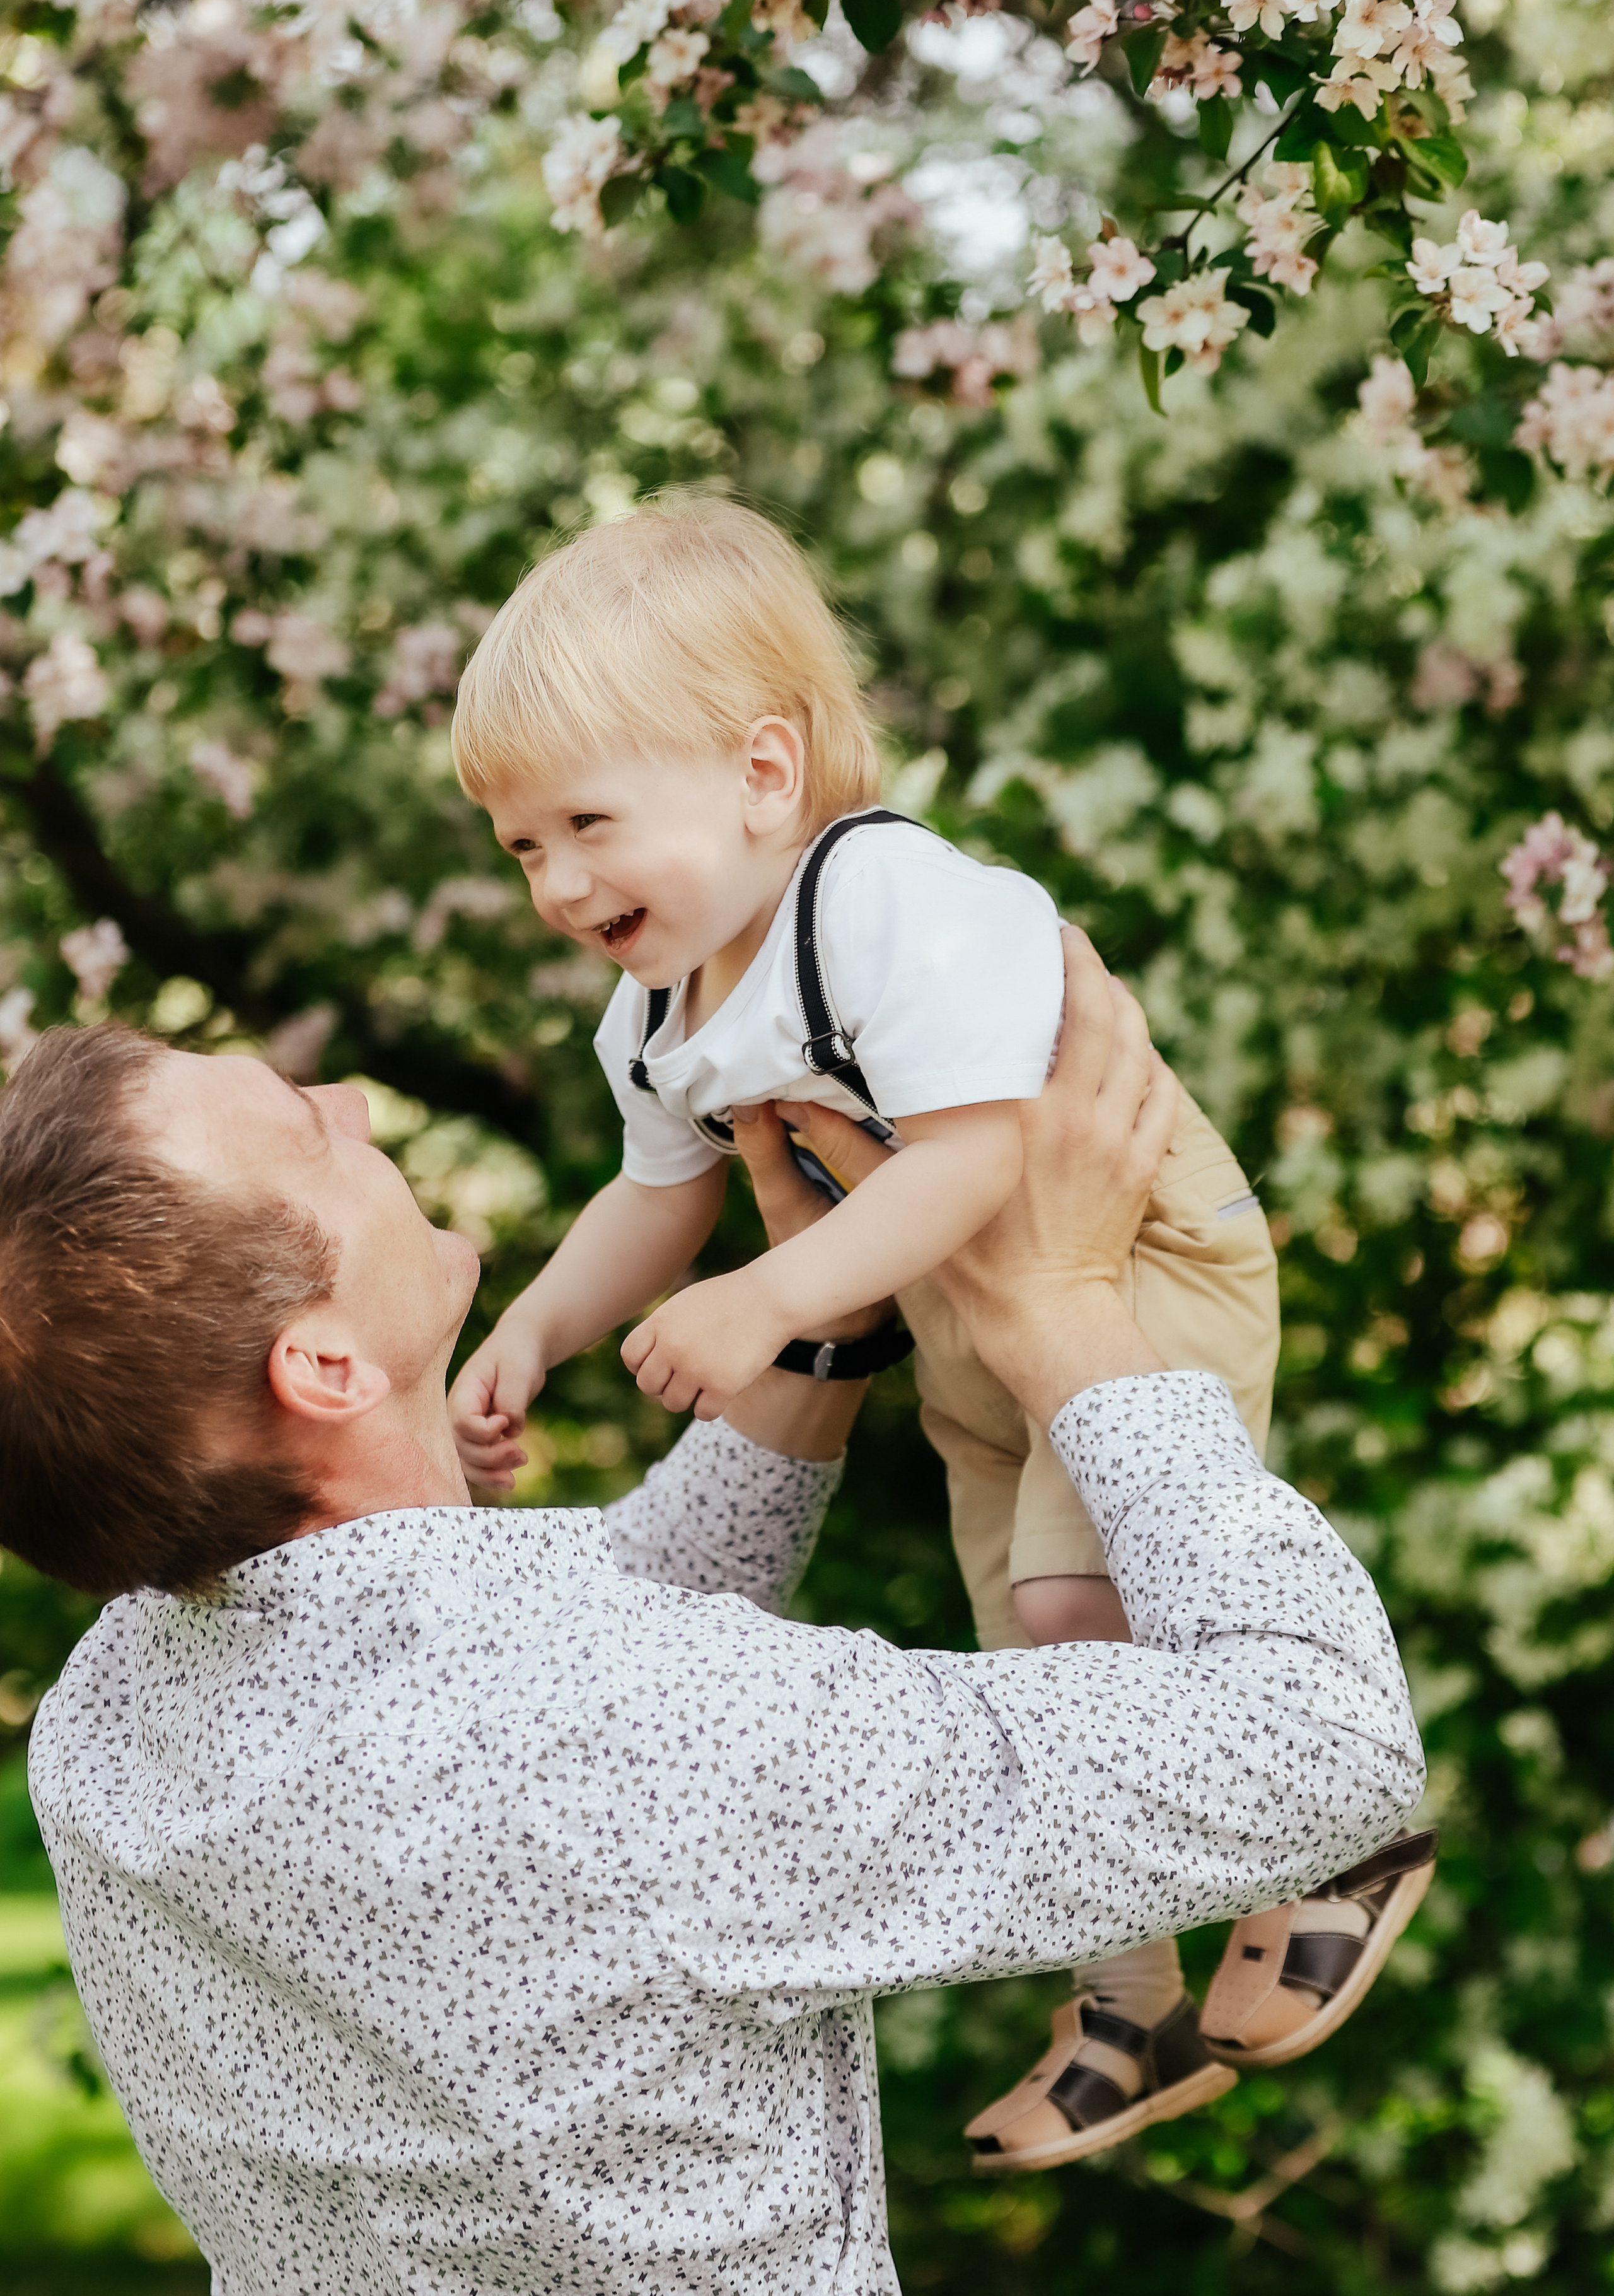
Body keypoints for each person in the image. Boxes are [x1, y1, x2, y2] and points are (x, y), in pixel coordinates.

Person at [7, 931, 1425, 2288]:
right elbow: (1325, 1744)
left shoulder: (105, 1725)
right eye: (304, 1131)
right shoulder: (625, 1735)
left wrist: (824, 1326)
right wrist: (1055, 1300)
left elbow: (604, 1652)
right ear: (322, 1365)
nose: (352, 1101)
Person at [441, 495, 1413, 2162]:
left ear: (763, 773)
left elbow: (978, 1160)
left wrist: (771, 1296)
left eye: (587, 822)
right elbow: (654, 1195)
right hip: (958, 1319)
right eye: (523, 845)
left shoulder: (876, 900)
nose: (559, 880)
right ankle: (1130, 2007)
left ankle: (1340, 1836)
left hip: (1122, 1257)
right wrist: (537, 1324)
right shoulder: (660, 1007)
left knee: (1072, 1603)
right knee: (1026, 1653)